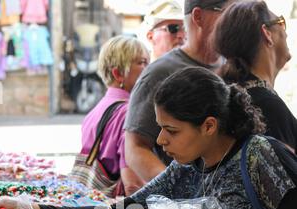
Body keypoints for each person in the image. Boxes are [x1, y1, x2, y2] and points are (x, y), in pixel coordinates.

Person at [0, 67, 297, 209]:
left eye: (172, 130)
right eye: (160, 127)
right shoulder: (188, 166)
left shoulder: (260, 156)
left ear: (208, 125)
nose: (160, 140)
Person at [124, 0, 236, 182]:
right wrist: (178, 191)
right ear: (198, 16)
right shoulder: (159, 72)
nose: (235, 19)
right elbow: (135, 147)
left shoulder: (233, 68)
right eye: (229, 12)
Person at [214, 0, 297, 154]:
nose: (286, 32)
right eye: (281, 22)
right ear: (267, 33)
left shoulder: (233, 95)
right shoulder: (265, 105)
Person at [79, 35, 149, 196]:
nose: (148, 69)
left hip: (92, 204)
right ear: (118, 74)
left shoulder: (97, 109)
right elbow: (133, 185)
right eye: (142, 63)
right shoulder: (128, 113)